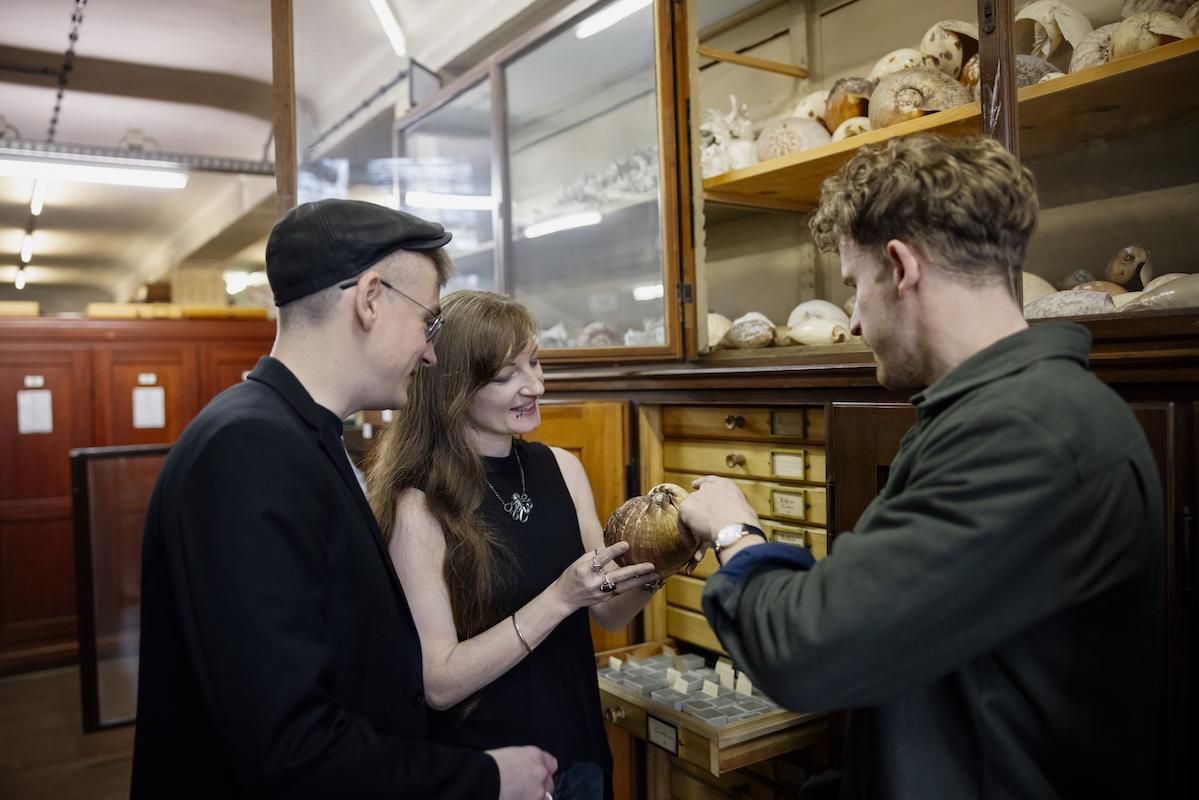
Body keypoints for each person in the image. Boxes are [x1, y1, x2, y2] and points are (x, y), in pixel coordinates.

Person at [677, 134, 1164, 799]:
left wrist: (736, 535)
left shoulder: (1023, 434)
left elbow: (806, 653)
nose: (851, 321)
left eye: (853, 287)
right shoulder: (1000, 415)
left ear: (901, 268)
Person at [133, 200, 556, 799]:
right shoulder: (249, 448)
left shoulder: (298, 435)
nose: (432, 352)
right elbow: (290, 745)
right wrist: (485, 778)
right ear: (370, 298)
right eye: (428, 322)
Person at [367, 291, 660, 800]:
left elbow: (611, 613)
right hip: (495, 774)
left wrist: (664, 560)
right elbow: (439, 683)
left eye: (535, 362)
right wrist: (560, 598)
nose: (536, 386)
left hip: (580, 754)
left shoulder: (563, 469)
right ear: (452, 387)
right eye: (506, 376)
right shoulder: (419, 507)